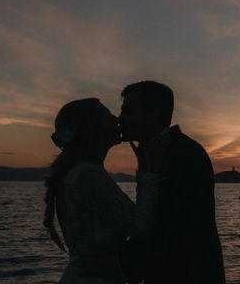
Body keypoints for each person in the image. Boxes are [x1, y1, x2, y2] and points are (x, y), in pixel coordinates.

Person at [43, 98, 166, 284]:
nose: (117, 119)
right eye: (108, 116)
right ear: (93, 128)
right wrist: (148, 174)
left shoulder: (79, 172)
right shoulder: (87, 175)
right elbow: (139, 226)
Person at [119, 81, 226, 284]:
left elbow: (173, 228)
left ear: (154, 114)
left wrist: (123, 267)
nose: (120, 119)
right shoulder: (157, 152)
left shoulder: (184, 153)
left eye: (129, 112)